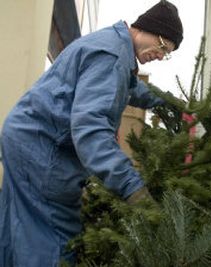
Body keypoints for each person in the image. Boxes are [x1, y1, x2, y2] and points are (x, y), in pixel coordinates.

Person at [0, 0, 183, 266]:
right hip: (42, 149)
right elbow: (91, 131)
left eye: (168, 53)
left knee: (20, 221)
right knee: (53, 231)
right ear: (145, 29)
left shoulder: (113, 44)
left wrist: (165, 101)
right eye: (163, 45)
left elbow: (129, 87)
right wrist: (133, 189)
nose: (161, 55)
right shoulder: (112, 57)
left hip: (25, 135)